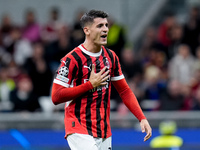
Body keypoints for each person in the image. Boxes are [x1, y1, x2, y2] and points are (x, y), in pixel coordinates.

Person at [51, 10, 152, 150]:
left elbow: (124, 90)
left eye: (106, 25)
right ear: (87, 30)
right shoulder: (71, 60)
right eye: (99, 26)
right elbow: (56, 97)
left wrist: (141, 118)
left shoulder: (111, 57)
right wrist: (90, 85)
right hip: (79, 127)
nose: (105, 29)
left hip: (103, 130)